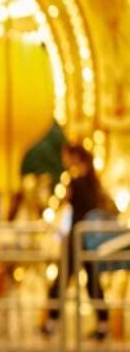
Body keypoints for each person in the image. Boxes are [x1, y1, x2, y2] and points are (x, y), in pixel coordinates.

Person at [42, 143, 117, 341]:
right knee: (92, 282)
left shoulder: (75, 181)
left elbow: (66, 201)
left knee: (63, 278)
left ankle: (52, 321)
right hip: (89, 237)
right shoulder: (93, 180)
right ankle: (103, 323)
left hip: (77, 235)